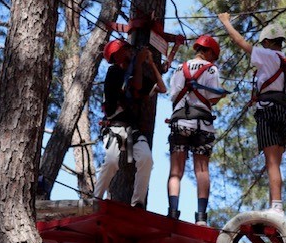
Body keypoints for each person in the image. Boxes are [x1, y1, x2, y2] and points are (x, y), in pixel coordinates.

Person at [218, 13, 286, 215]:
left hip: (268, 112)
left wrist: (226, 22)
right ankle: (275, 205)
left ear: (266, 41)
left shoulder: (267, 55)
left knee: (271, 162)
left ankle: (276, 207)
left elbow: (240, 42)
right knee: (276, 163)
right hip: (284, 112)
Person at [93, 38, 167, 208]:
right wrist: (139, 63)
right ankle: (96, 199)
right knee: (111, 161)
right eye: (125, 50)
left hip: (131, 129)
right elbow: (133, 86)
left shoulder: (134, 72)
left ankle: (138, 203)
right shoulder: (114, 73)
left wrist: (151, 64)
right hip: (115, 127)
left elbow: (162, 88)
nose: (129, 52)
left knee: (146, 159)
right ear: (117, 55)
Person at [167, 35, 224, 226]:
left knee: (176, 171)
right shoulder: (211, 69)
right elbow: (213, 98)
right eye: (213, 56)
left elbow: (173, 95)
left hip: (180, 121)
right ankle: (201, 218)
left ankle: (173, 213)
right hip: (202, 124)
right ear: (208, 52)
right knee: (202, 170)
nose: (213, 60)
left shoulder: (179, 68)